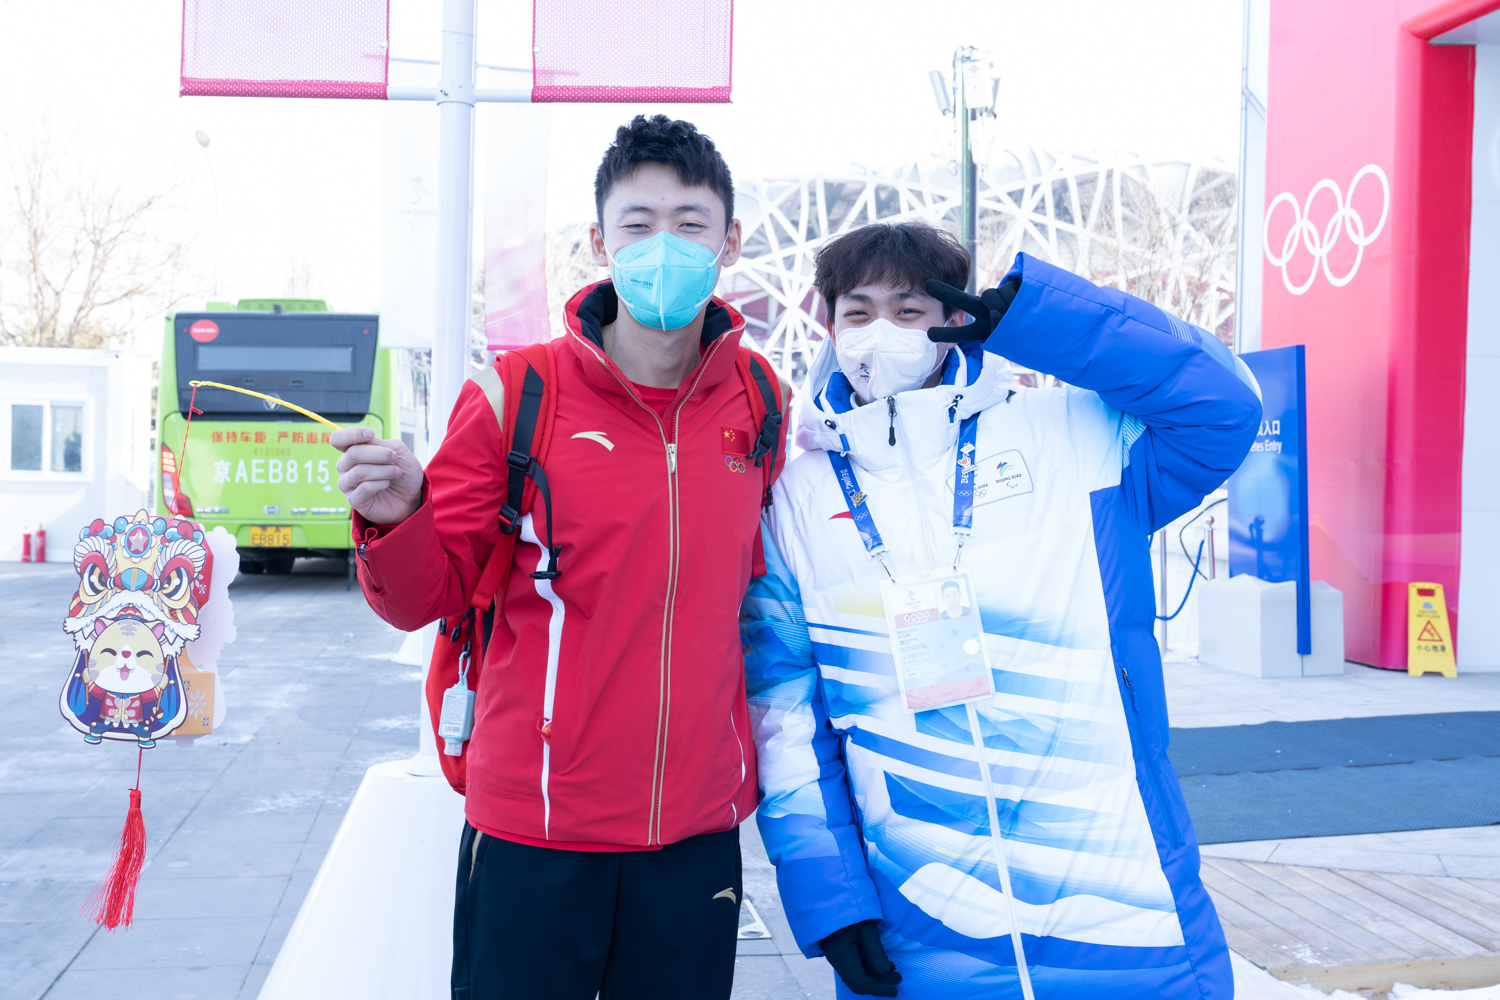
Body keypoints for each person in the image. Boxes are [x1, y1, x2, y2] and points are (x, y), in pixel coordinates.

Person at [332, 115, 789, 1000]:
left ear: (729, 242)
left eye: (691, 223)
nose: (665, 246)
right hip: (536, 828)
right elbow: (427, 596)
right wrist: (400, 519)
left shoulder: (759, 398)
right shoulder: (518, 393)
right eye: (639, 225)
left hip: (694, 834)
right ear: (601, 243)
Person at [741, 221, 1260, 999]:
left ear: (957, 318)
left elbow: (1223, 407)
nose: (881, 332)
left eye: (908, 310)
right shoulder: (793, 496)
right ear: (829, 324)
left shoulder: (1078, 436)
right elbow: (786, 716)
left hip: (1127, 918)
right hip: (925, 928)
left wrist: (1044, 320)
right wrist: (831, 899)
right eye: (859, 312)